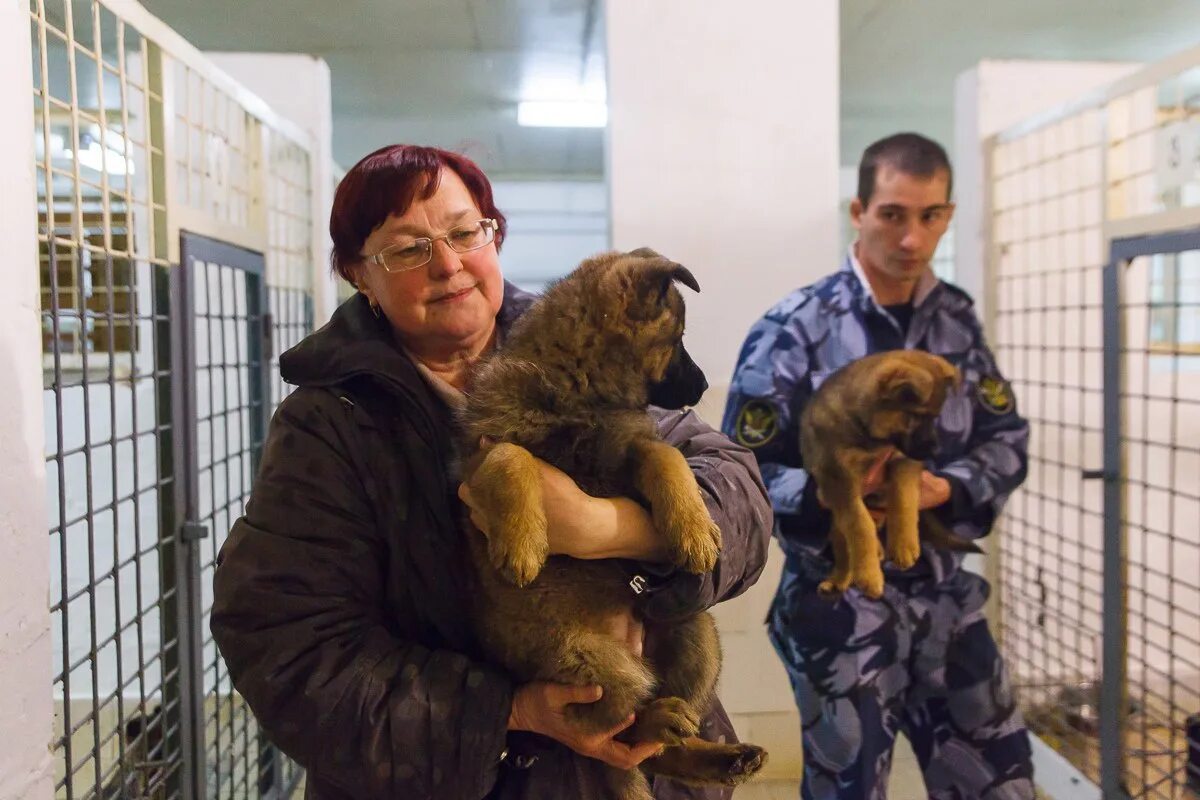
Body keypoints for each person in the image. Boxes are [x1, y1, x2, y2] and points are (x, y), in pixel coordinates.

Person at [210, 143, 772, 800]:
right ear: (358, 274)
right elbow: (287, 645)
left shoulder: (582, 347)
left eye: (463, 232)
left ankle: (671, 750)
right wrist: (511, 713)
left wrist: (608, 528)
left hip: (649, 731)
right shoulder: (329, 425)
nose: (448, 265)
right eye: (406, 249)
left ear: (493, 234)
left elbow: (738, 491)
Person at [721, 133, 1035, 799]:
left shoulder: (957, 324)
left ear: (947, 216)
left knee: (1003, 785)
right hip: (841, 611)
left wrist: (942, 489)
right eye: (893, 214)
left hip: (948, 602)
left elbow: (1005, 439)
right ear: (859, 210)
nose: (912, 239)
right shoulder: (796, 326)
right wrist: (840, 495)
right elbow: (737, 476)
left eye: (930, 217)